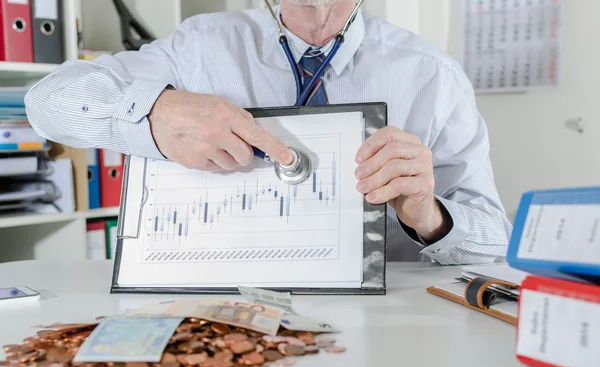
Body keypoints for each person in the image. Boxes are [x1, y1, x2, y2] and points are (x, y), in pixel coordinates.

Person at [24, 0, 512, 264]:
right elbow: (46, 103)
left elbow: (495, 240)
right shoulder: (198, 46)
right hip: (227, 316)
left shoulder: (434, 76)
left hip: (385, 327)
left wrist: (430, 216)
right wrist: (155, 111)